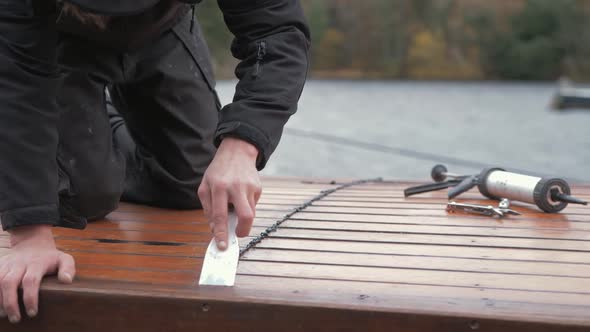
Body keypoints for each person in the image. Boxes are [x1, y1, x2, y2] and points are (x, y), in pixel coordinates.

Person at [0, 0, 310, 323]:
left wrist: (242, 146)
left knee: (193, 184)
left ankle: (103, 125)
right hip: (57, 36)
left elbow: (279, 31)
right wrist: (28, 237)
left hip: (161, 26)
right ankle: (87, 134)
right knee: (82, 196)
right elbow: (16, 84)